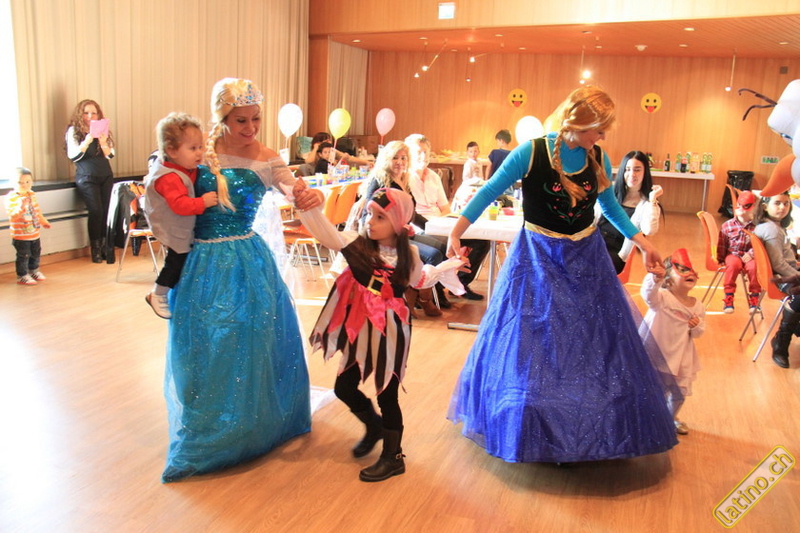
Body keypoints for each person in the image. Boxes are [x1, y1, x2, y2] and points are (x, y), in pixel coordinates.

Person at [446, 86, 681, 463]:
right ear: (578, 123)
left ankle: (584, 424)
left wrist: (642, 242)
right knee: (535, 339)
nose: (602, 137)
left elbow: (609, 207)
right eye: (598, 130)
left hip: (586, 260)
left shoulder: (597, 156)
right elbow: (490, 190)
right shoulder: (531, 152)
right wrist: (456, 232)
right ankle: (535, 423)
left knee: (589, 340)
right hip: (537, 259)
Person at [161, 78, 324, 482]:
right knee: (204, 344)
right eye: (241, 120)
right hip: (200, 262)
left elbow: (295, 191)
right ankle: (207, 429)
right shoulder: (198, 151)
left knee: (249, 341)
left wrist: (311, 196)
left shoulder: (268, 159)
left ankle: (252, 426)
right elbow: (164, 184)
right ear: (222, 118)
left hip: (247, 262)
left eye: (256, 119)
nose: (250, 127)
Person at [297, 187, 465, 482]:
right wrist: (306, 205)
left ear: (398, 223)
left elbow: (420, 279)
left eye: (380, 217)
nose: (370, 222)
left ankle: (393, 456)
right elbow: (324, 231)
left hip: (392, 330)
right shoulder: (355, 244)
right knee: (343, 388)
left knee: (387, 394)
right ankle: (374, 426)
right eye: (368, 215)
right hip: (359, 328)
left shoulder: (409, 254)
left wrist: (450, 266)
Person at [143, 112, 218, 319]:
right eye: (193, 149)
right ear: (172, 151)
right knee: (176, 262)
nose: (199, 153)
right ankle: (158, 294)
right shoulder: (169, 177)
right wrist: (202, 202)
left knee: (183, 262)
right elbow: (180, 205)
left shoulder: (183, 167)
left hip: (182, 226)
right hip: (173, 227)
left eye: (200, 147)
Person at [361, 140, 444, 317]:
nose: (400, 162)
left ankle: (426, 296)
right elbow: (368, 214)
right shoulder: (380, 182)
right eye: (395, 158)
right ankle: (423, 299)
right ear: (386, 159)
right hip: (387, 238)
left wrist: (432, 227)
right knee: (433, 255)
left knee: (441, 246)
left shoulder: (403, 181)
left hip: (403, 232)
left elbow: (411, 213)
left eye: (403, 158)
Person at [405, 133, 489, 300]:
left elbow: (445, 208)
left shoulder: (434, 176)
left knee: (482, 242)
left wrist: (449, 227)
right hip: (420, 227)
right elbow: (410, 215)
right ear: (410, 155)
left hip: (439, 223)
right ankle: (436, 291)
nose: (423, 156)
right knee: (443, 246)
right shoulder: (405, 178)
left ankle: (460, 283)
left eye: (426, 152)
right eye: (419, 152)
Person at [640, 249, 705, 435]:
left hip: (681, 357)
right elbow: (648, 295)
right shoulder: (662, 298)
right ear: (668, 278)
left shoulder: (698, 306)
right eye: (683, 269)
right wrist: (655, 278)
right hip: (656, 353)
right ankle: (650, 421)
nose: (690, 273)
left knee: (679, 394)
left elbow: (699, 333)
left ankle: (669, 420)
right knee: (655, 392)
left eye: (692, 270)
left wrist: (696, 326)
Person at [65, 99, 116, 264]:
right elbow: (74, 156)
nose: (90, 116)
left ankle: (105, 247)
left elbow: (110, 155)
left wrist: (103, 142)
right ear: (80, 114)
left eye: (93, 113)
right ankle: (95, 249)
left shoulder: (103, 130)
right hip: (86, 176)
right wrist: (87, 140)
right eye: (86, 113)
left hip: (105, 175)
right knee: (96, 211)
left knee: (106, 211)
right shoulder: (74, 131)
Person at [595, 150, 663, 274]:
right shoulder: (610, 193)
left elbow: (649, 230)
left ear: (645, 172)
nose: (632, 174)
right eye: (627, 169)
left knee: (593, 266)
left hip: (615, 252)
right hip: (594, 242)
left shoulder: (647, 204)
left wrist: (653, 199)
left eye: (637, 170)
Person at [754, 191, 798, 369]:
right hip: (780, 278)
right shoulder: (772, 230)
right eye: (777, 203)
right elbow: (778, 264)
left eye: (786, 203)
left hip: (785, 273)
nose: (782, 207)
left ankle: (795, 328)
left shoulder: (770, 225)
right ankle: (781, 342)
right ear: (765, 206)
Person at [716, 190, 761, 313]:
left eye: (746, 206)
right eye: (739, 205)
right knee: (733, 265)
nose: (741, 209)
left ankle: (755, 298)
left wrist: (751, 254)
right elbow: (722, 244)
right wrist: (720, 259)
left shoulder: (758, 227)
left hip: (750, 256)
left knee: (754, 268)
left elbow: (760, 245)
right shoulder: (727, 225)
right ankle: (729, 297)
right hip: (733, 254)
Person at [5, 167, 51, 285]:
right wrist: (21, 207)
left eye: (27, 181)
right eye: (20, 182)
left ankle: (33, 270)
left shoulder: (31, 194)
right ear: (13, 183)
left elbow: (37, 211)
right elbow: (13, 216)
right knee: (24, 255)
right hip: (21, 235)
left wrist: (43, 221)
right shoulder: (12, 197)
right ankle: (22, 275)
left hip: (34, 233)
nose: (24, 185)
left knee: (36, 252)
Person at [303, 131, 372, 167]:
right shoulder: (313, 153)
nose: (330, 142)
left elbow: (349, 159)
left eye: (329, 140)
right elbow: (309, 162)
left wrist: (367, 162)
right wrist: (315, 148)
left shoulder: (332, 151)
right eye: (327, 141)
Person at [451, 141, 485, 212]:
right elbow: (465, 179)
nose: (473, 154)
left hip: (479, 186)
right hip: (469, 187)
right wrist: (476, 181)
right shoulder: (468, 164)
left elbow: (481, 175)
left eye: (475, 151)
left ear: (479, 152)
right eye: (471, 151)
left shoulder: (480, 163)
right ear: (467, 153)